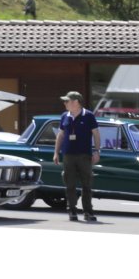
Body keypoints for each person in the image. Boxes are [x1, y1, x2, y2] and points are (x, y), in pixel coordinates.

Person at [53, 90, 100, 222]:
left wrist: (97, 151)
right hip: (68, 155)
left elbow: (96, 134)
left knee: (87, 185)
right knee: (70, 185)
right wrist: (56, 152)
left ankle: (88, 212)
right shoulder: (65, 116)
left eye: (67, 101)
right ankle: (72, 211)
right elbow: (61, 135)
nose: (64, 103)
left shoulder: (88, 116)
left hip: (84, 155)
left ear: (76, 102)